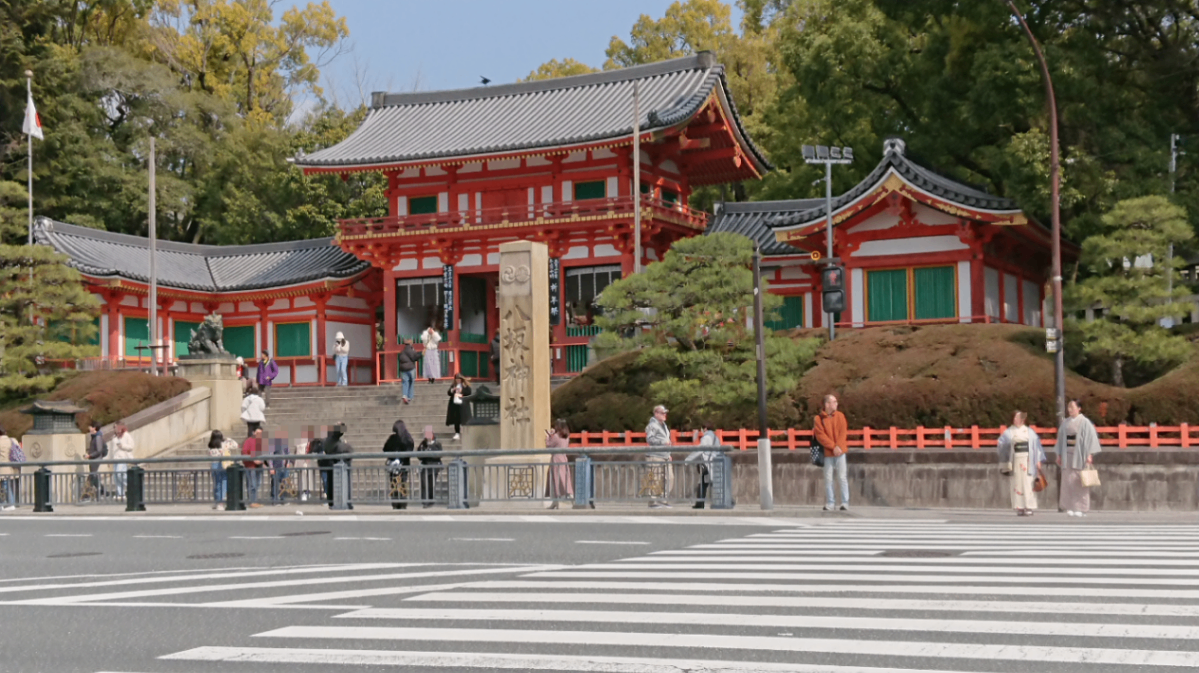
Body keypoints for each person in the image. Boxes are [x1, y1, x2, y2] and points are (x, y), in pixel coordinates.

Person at [1056, 399, 1101, 517]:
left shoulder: (1085, 422)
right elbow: (1060, 439)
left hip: (1080, 453)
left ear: (1079, 408)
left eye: (1073, 407)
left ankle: (1081, 507)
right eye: (1069, 407)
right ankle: (1069, 506)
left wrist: (1090, 454)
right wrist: (1059, 454)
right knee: (1068, 481)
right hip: (1067, 454)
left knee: (1080, 481)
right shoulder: (1065, 422)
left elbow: (1091, 438)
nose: (1070, 409)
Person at [996, 411, 1046, 517]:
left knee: (1028, 483)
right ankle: (1019, 507)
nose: (1016, 420)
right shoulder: (1009, 432)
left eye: (1018, 418)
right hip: (1015, 459)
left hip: (1028, 459)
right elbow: (1000, 444)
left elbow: (1036, 446)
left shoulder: (1029, 432)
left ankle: (1029, 506)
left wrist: (1038, 461)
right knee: (1016, 483)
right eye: (1015, 418)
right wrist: (1007, 446)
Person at [813, 394, 850, 512]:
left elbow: (843, 432)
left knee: (842, 477)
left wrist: (838, 446)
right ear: (827, 404)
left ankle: (845, 502)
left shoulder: (840, 416)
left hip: (840, 451)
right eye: (833, 402)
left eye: (836, 402)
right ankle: (830, 502)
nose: (835, 404)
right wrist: (833, 446)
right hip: (828, 452)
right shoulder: (818, 419)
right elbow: (820, 436)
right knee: (828, 478)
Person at [685, 421, 720, 509]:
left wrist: (688, 459)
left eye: (702, 429)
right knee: (706, 482)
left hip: (707, 463)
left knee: (703, 483)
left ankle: (700, 503)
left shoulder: (706, 437)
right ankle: (701, 503)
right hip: (714, 462)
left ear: (705, 428)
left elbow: (700, 450)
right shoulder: (716, 437)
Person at [644, 404, 673, 509]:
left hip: (665, 455)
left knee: (669, 478)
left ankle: (663, 499)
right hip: (655, 455)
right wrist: (662, 442)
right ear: (656, 414)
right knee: (655, 478)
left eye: (665, 413)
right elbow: (650, 439)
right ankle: (653, 501)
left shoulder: (664, 426)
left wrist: (669, 454)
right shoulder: (652, 425)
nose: (665, 415)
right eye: (662, 413)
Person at [383, 420, 414, 509]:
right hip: (402, 465)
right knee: (401, 483)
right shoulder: (407, 438)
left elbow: (385, 449)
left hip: (397, 465)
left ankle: (397, 503)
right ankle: (401, 503)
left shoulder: (395, 438)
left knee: (396, 484)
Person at [322, 423, 354, 509]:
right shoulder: (339, 443)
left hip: (331, 465)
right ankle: (347, 502)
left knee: (331, 484)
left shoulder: (328, 441)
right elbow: (348, 450)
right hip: (339, 465)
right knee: (345, 484)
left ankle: (331, 502)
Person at [546, 418, 573, 509]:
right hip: (564, 458)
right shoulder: (566, 436)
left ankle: (557, 500)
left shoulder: (556, 436)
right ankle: (568, 496)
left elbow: (549, 445)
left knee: (556, 480)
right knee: (565, 479)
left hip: (556, 459)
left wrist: (548, 436)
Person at [417, 425, 442, 508]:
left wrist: (430, 450)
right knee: (424, 484)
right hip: (425, 466)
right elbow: (419, 455)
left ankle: (430, 500)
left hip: (434, 467)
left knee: (431, 484)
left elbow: (439, 455)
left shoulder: (437, 444)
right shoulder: (422, 444)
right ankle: (425, 501)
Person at [108, 423, 135, 499]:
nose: (115, 429)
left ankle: (131, 486)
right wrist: (109, 460)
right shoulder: (114, 437)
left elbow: (131, 447)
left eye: (116, 427)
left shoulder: (126, 435)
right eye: (114, 427)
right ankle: (121, 494)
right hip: (115, 459)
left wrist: (122, 446)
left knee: (120, 474)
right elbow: (111, 449)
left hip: (122, 458)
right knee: (116, 476)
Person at [207, 430, 231, 510]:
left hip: (214, 465)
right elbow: (235, 445)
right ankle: (221, 502)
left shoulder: (210, 446)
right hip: (223, 464)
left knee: (216, 484)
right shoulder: (224, 444)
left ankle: (217, 501)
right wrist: (227, 439)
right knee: (223, 482)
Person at [268, 429, 292, 505]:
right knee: (275, 483)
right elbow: (270, 457)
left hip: (284, 467)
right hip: (276, 467)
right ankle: (274, 500)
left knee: (284, 483)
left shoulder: (286, 445)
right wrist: (271, 467)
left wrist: (288, 463)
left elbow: (288, 454)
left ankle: (283, 499)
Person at [242, 428, 264, 508]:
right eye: (257, 433)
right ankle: (252, 501)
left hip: (259, 466)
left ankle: (254, 500)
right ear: (254, 432)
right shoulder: (248, 441)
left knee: (257, 484)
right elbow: (244, 452)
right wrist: (253, 460)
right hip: (250, 466)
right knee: (252, 484)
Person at [84, 421, 106, 501]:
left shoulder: (97, 437)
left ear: (94, 428)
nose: (89, 428)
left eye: (90, 427)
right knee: (94, 475)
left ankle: (87, 493)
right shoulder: (94, 436)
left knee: (92, 476)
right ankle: (102, 490)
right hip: (93, 459)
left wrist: (90, 455)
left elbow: (99, 450)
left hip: (96, 459)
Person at [446, 374, 471, 440]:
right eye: (457, 380)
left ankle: (467, 433)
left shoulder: (465, 385)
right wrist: (453, 390)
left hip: (463, 404)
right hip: (455, 404)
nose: (458, 381)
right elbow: (449, 392)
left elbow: (469, 392)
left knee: (464, 418)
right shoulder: (453, 385)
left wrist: (461, 391)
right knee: (456, 419)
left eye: (459, 379)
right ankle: (457, 433)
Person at [0, 427, 17, 510]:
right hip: (12, 467)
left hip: (3, 468)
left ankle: (9, 503)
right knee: (7, 485)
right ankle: (8, 503)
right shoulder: (12, 440)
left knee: (5, 486)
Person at [398, 339, 418, 404]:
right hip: (411, 368)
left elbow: (400, 359)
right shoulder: (412, 351)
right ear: (411, 344)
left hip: (403, 369)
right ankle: (410, 397)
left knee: (405, 382)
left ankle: (404, 395)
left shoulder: (402, 352)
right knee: (411, 382)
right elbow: (415, 358)